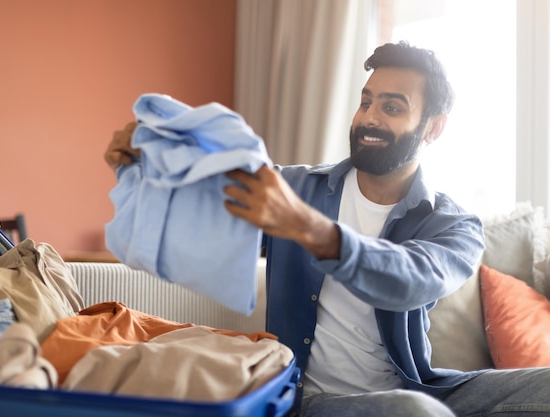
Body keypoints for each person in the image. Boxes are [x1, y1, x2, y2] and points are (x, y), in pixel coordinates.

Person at [105, 41, 550, 417]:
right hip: (311, 397)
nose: (369, 117)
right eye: (366, 101)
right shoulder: (292, 187)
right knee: (417, 413)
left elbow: (412, 280)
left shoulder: (453, 224)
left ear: (433, 128)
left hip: (420, 388)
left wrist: (311, 229)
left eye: (392, 107)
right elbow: (203, 207)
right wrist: (143, 159)